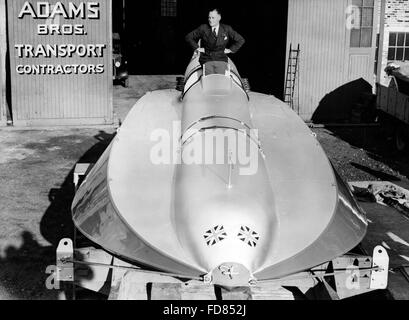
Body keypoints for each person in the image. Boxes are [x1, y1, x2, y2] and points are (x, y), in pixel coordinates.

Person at [185, 8, 245, 74]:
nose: (210, 20)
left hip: (221, 59)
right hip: (207, 59)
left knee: (220, 79)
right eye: (209, 17)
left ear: (219, 18)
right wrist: (197, 48)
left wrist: (230, 50)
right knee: (209, 79)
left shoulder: (226, 29)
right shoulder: (203, 28)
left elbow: (240, 40)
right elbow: (189, 37)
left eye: (213, 18)